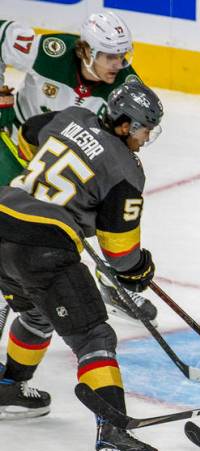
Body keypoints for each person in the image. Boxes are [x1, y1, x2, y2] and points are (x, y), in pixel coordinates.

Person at [0, 80, 163, 451]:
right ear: (125, 125)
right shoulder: (126, 171)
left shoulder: (74, 116)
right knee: (94, 337)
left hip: (3, 216)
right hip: (43, 246)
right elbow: (121, 256)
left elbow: (28, 133)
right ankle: (114, 436)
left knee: (39, 314)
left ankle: (10, 388)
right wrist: (140, 269)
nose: (145, 138)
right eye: (143, 129)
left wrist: (53, 195)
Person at [0, 12, 158, 325]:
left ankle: (110, 281)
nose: (119, 64)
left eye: (123, 56)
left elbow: (120, 152)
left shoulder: (124, 91)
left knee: (108, 213)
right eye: (110, 56)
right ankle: (9, 297)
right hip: (15, 144)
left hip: (62, 166)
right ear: (85, 50)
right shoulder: (49, 50)